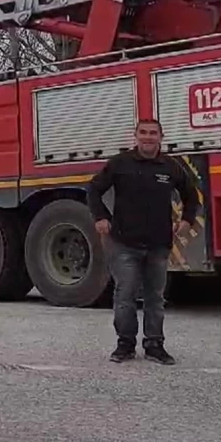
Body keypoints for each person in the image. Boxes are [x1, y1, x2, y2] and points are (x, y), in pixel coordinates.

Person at [88, 118, 197, 365]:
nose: (148, 137)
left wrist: (188, 219)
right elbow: (93, 189)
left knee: (155, 297)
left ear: (161, 137)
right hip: (124, 243)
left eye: (153, 133)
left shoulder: (170, 167)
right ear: (135, 136)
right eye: (143, 133)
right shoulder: (120, 163)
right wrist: (101, 217)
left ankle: (154, 345)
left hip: (159, 244)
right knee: (125, 294)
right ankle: (125, 345)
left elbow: (191, 195)